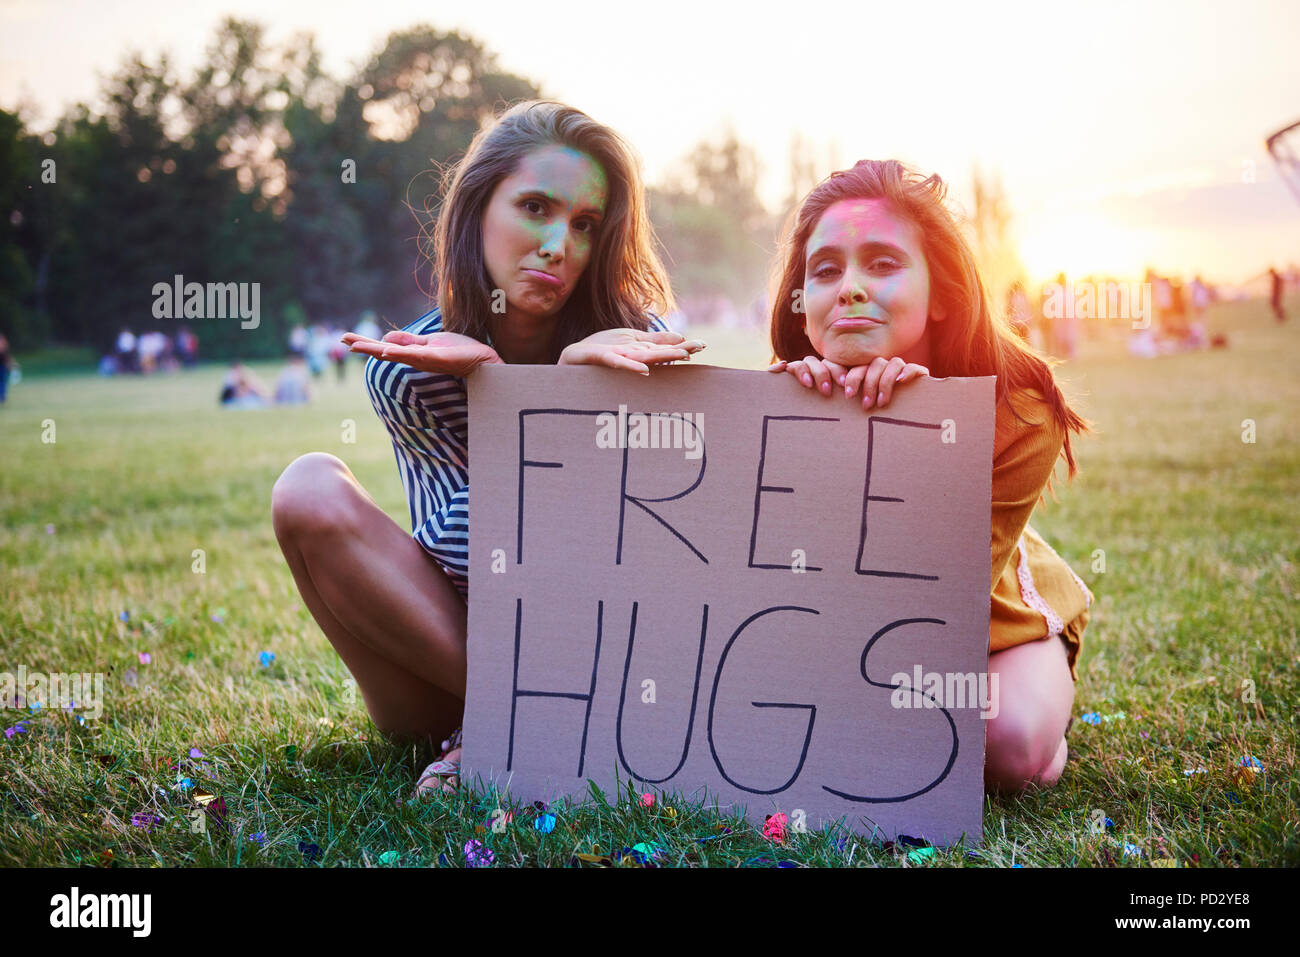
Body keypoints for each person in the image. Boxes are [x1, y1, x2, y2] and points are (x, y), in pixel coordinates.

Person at [270, 100, 703, 799]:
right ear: (477, 210)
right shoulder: (410, 366)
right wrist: (501, 388)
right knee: (308, 486)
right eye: (535, 207)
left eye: (585, 224)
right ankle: (527, 725)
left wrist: (578, 389)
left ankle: (522, 731)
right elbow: (463, 556)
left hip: (602, 663)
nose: (559, 244)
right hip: (453, 668)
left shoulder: (633, 347)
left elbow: (657, 553)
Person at [767, 158, 1093, 795]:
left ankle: (1048, 688)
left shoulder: (1019, 410)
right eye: (825, 270)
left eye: (883, 263)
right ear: (802, 304)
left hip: (993, 617)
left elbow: (935, 600)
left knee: (1007, 747)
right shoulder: (777, 401)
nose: (849, 288)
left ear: (942, 293)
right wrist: (799, 425)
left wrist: (920, 429)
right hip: (847, 625)